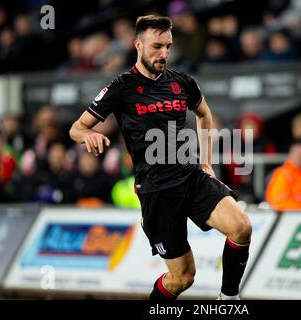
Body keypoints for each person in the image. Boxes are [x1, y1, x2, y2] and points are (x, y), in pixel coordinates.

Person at [69, 15, 252, 300]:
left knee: (241, 227)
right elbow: (76, 128)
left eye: (168, 46)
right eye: (157, 46)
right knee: (182, 278)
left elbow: (204, 114)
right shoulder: (121, 87)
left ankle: (228, 299)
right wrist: (88, 135)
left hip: (192, 177)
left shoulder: (182, 82)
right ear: (138, 45)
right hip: (157, 190)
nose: (164, 54)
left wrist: (206, 161)